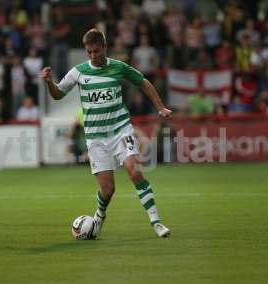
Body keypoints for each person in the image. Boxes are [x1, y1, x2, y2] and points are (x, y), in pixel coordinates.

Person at [41, 28, 172, 238]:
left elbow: (144, 82)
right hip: (96, 138)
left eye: (96, 51)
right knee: (108, 190)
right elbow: (58, 94)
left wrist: (160, 107)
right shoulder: (79, 72)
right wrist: (49, 82)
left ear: (104, 47)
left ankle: (156, 222)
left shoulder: (118, 67)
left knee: (135, 172)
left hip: (120, 130)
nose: (93, 56)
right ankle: (99, 216)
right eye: (89, 52)